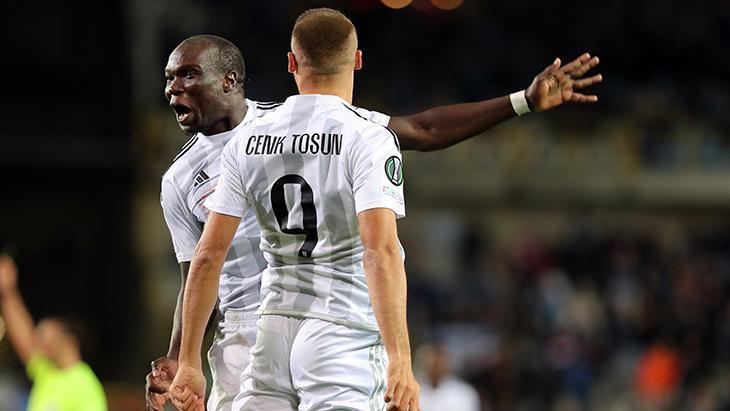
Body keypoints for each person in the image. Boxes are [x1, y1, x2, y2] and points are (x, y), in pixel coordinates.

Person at [146, 24, 602, 411]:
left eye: (187, 75)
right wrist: (180, 358)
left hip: (286, 320)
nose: (173, 89)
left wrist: (520, 101)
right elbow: (196, 273)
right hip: (271, 327)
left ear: (232, 79)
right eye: (168, 79)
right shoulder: (180, 180)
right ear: (356, 61)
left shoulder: (267, 130)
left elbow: (423, 129)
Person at [0, 255, 107, 411]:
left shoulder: (84, 385)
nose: (39, 340)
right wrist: (8, 292)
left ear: (70, 342)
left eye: (47, 336)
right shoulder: (47, 372)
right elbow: (22, 334)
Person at [416, 343, 480, 411]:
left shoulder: (465, 393)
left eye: (441, 361)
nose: (437, 366)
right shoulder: (415, 391)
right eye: (432, 361)